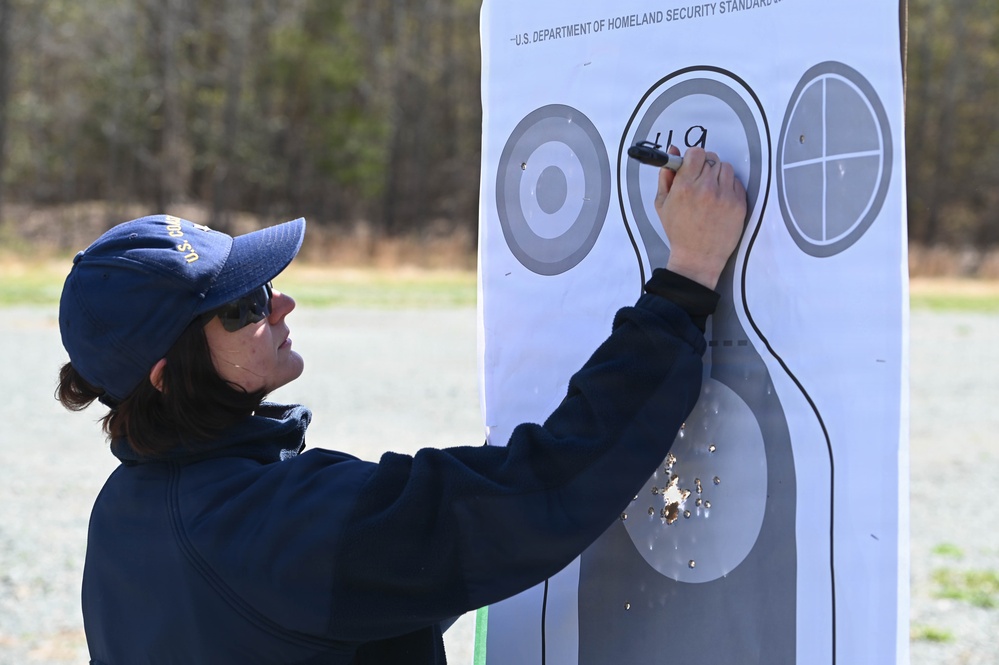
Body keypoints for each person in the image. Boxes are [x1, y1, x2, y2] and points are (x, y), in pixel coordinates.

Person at [56, 146, 746, 664]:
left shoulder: (125, 509)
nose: (282, 302)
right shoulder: (279, 525)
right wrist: (685, 279)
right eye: (244, 305)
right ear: (166, 375)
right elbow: (539, 489)